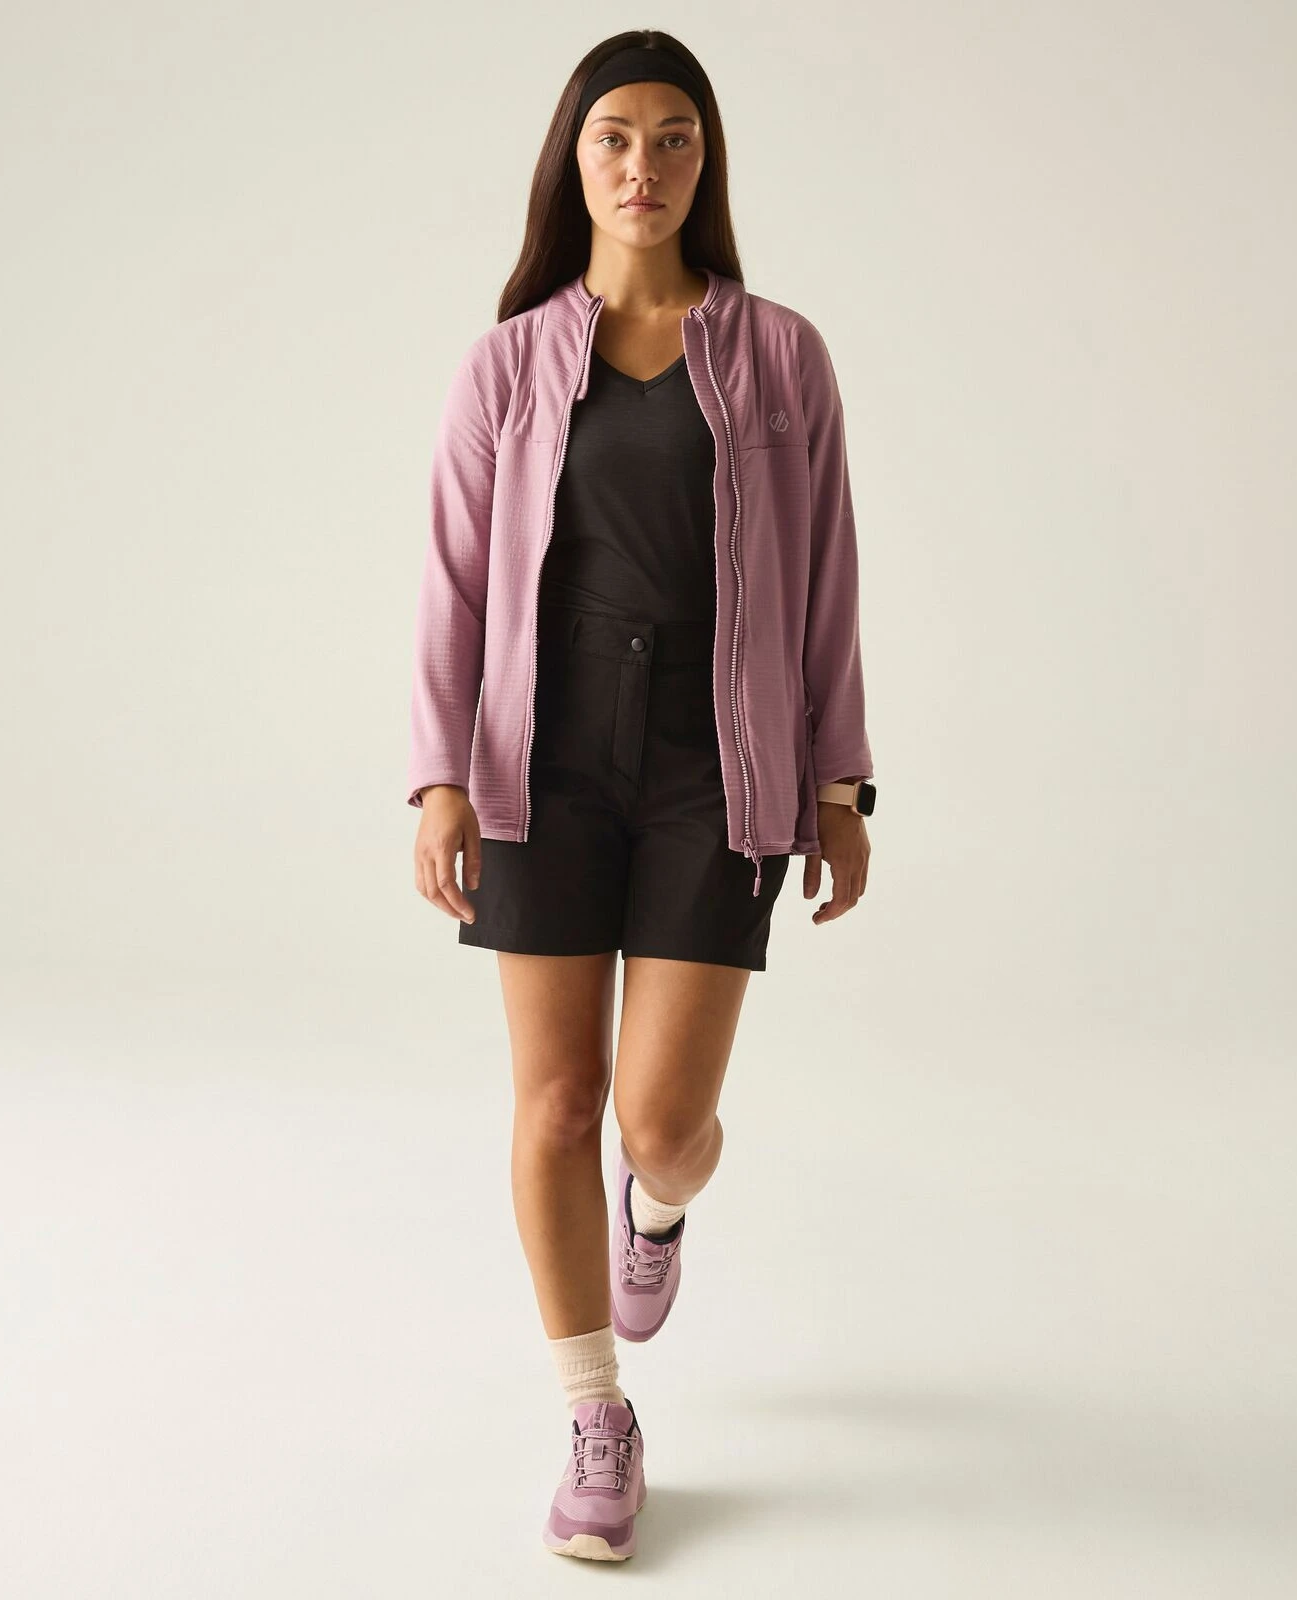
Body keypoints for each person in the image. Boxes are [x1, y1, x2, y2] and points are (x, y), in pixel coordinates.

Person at [406, 30, 876, 1562]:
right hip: (541, 766)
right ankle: (595, 1414)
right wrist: (437, 778)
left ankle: (656, 1213)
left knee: (660, 1123)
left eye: (675, 137)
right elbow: (455, 586)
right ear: (575, 159)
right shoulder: (507, 363)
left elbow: (825, 581)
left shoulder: (781, 356)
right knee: (555, 1104)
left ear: (705, 161)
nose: (645, 165)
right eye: (616, 136)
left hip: (714, 769)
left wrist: (841, 780)